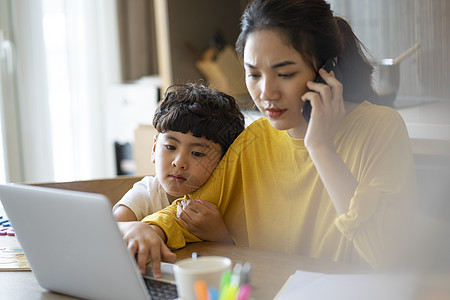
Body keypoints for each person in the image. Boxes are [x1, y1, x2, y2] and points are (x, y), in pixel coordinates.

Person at [122, 0, 417, 277]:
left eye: (285, 74)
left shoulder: (381, 128)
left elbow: (384, 254)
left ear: (328, 70)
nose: (266, 93)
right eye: (254, 74)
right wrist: (151, 229)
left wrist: (320, 147)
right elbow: (187, 212)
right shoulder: (255, 139)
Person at [116, 82, 245, 265]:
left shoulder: (227, 198)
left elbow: (245, 258)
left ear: (224, 162)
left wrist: (220, 235)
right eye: (170, 147)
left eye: (197, 153)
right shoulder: (147, 193)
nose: (179, 162)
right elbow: (108, 229)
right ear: (154, 148)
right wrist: (133, 228)